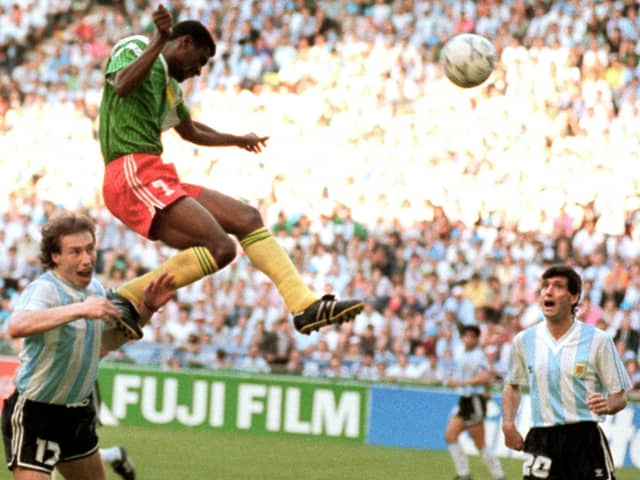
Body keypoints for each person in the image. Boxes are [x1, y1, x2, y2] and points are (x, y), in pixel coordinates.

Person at [98, 4, 363, 337]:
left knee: (246, 217)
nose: (198, 71)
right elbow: (121, 85)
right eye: (201, 60)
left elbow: (191, 131)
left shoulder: (171, 89)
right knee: (221, 248)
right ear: (183, 44)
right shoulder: (136, 48)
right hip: (130, 172)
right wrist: (158, 40)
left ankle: (303, 305)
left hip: (155, 173)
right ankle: (125, 298)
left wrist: (238, 140)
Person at [1, 211, 175, 480]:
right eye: (75, 252)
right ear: (55, 256)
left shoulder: (94, 290)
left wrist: (147, 309)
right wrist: (80, 309)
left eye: (90, 249)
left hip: (77, 413)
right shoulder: (45, 289)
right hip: (37, 411)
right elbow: (15, 325)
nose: (86, 258)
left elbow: (103, 344)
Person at [502, 264, 632, 480]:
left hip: (584, 438)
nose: (549, 291)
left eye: (558, 286)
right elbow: (512, 384)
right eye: (545, 286)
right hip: (541, 439)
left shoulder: (599, 340)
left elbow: (619, 397)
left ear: (574, 297)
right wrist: (508, 424)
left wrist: (608, 405)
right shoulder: (524, 341)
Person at [444, 324, 505, 480]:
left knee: (480, 443)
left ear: (477, 339)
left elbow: (486, 376)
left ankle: (498, 476)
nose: (469, 339)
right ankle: (464, 474)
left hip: (474, 400)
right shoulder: (462, 352)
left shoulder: (478, 355)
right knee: (450, 436)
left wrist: (463, 383)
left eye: (472, 336)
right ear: (462, 337)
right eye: (466, 336)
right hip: (464, 399)